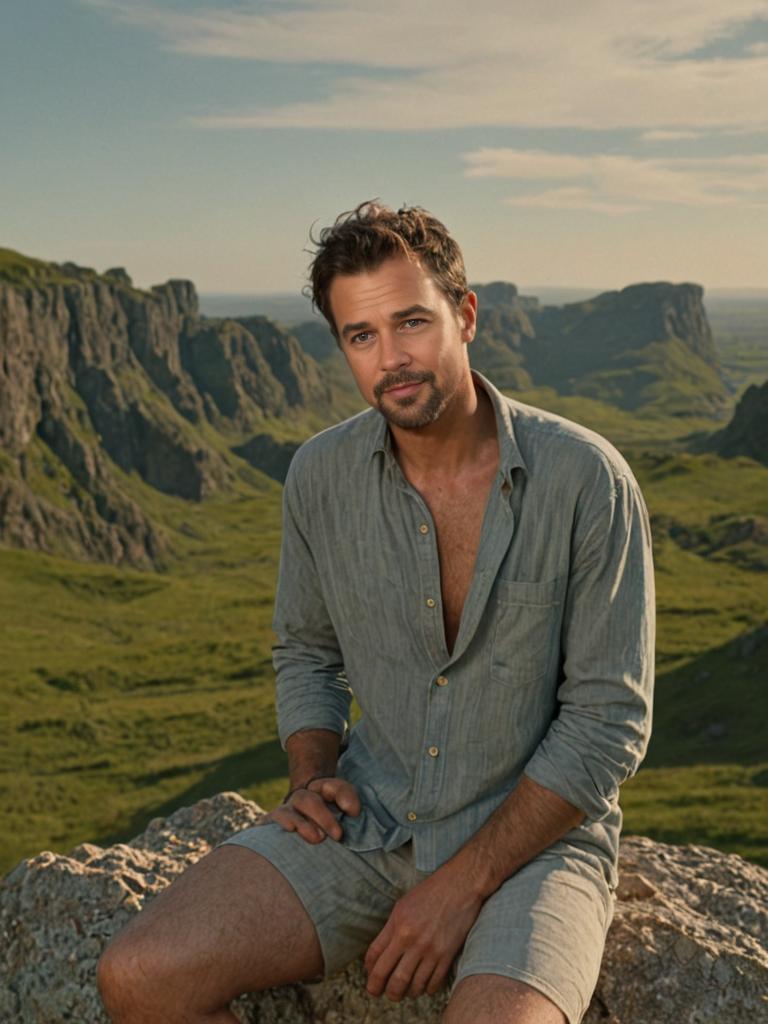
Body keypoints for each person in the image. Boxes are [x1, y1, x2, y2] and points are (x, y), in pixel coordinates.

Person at [97, 202, 655, 1024]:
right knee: (139, 976)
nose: (391, 360)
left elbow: (608, 721)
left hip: (537, 848)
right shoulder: (319, 476)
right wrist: (310, 772)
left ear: (465, 317)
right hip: (370, 815)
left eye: (412, 323)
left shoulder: (586, 481)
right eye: (361, 336)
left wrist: (459, 888)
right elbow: (306, 650)